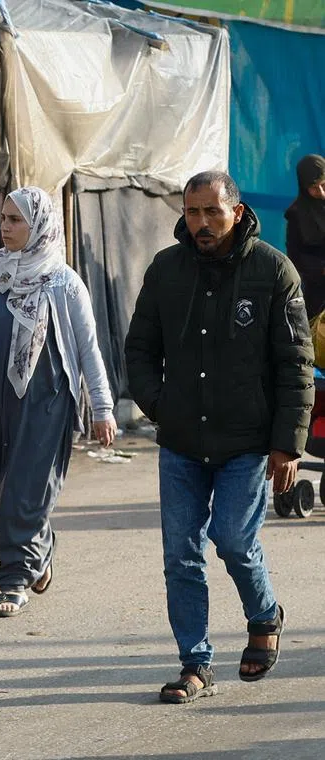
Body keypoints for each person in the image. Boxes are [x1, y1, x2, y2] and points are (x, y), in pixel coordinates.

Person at [125, 170, 311, 703]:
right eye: (192, 212)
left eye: (212, 211)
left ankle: (263, 613)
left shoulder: (274, 271)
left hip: (246, 442)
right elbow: (139, 349)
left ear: (236, 209)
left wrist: (287, 444)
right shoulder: (166, 269)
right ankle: (196, 664)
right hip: (181, 441)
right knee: (180, 556)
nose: (201, 223)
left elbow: (296, 365)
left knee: (232, 540)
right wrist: (160, 405)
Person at [0, 187, 117, 618]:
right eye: (3, 218)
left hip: (47, 400)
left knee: (25, 492)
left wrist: (102, 408)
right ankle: (38, 552)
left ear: (39, 225)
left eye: (15, 220)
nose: (5, 226)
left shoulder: (63, 282)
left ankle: (13, 580)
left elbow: (88, 350)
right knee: (7, 488)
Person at [285, 154, 325, 316]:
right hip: (317, 289)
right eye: (314, 188)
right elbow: (294, 255)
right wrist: (321, 269)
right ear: (304, 187)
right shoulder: (296, 214)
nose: (321, 192)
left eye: (324, 184)